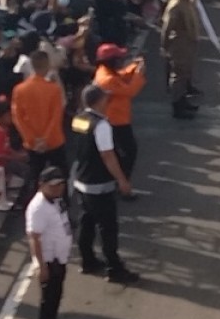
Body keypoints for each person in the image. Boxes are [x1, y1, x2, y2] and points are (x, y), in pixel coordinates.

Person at [71, 84, 138, 284]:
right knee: (108, 227)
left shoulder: (80, 119)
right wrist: (122, 180)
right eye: (105, 98)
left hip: (82, 179)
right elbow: (107, 155)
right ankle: (114, 268)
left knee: (87, 222)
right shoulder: (101, 125)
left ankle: (87, 260)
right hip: (99, 183)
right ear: (99, 101)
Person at [25, 166, 73, 319]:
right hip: (49, 260)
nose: (58, 188)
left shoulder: (55, 200)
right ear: (41, 185)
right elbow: (34, 237)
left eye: (61, 184)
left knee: (56, 295)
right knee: (49, 299)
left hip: (59, 258)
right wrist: (40, 265)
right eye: (53, 185)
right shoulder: (38, 208)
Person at [92, 43, 147, 192]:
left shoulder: (105, 72)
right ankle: (121, 183)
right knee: (128, 152)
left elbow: (120, 77)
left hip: (117, 119)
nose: (121, 60)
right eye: (118, 58)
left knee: (120, 152)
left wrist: (133, 68)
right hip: (116, 122)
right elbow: (130, 90)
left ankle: (117, 181)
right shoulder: (107, 79)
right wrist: (138, 74)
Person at [10, 50, 67, 192]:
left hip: (32, 143)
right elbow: (56, 116)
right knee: (61, 174)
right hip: (54, 141)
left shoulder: (19, 90)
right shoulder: (54, 89)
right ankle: (62, 205)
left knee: (35, 176)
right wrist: (46, 139)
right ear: (47, 65)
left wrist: (33, 139)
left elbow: (18, 117)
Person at [162, 0, 202, 119]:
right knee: (178, 75)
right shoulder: (175, 6)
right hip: (179, 44)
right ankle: (177, 106)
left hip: (188, 43)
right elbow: (167, 29)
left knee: (186, 74)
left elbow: (193, 1)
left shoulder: (186, 4)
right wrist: (164, 45)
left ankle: (183, 100)